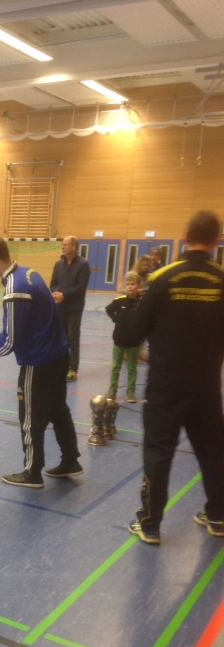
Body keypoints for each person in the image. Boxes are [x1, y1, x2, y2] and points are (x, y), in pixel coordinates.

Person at [128, 210, 224, 545]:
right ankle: (218, 516)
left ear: (186, 237)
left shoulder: (163, 278)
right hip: (207, 386)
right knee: (213, 451)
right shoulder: (221, 279)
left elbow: (133, 334)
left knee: (158, 452)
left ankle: (150, 524)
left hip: (166, 385)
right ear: (216, 241)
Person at [0, 237, 82, 488]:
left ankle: (32, 472)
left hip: (39, 361)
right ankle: (71, 460)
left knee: (29, 417)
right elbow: (26, 325)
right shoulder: (29, 273)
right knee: (57, 410)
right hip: (58, 355)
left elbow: (10, 343)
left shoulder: (14, 289)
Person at [49, 235, 90, 382]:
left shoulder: (83, 264)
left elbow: (81, 286)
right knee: (61, 338)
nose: (62, 247)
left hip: (74, 308)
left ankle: (73, 369)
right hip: (60, 307)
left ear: (74, 247)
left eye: (66, 244)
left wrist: (64, 295)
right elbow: (53, 283)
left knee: (73, 338)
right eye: (62, 244)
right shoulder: (58, 264)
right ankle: (62, 365)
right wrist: (56, 292)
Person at [105, 272, 143, 403]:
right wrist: (116, 319)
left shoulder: (142, 302)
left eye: (133, 284)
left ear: (139, 286)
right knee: (116, 367)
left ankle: (131, 392)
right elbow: (109, 309)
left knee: (132, 368)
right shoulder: (120, 301)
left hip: (134, 341)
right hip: (119, 340)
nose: (130, 287)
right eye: (128, 284)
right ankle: (112, 390)